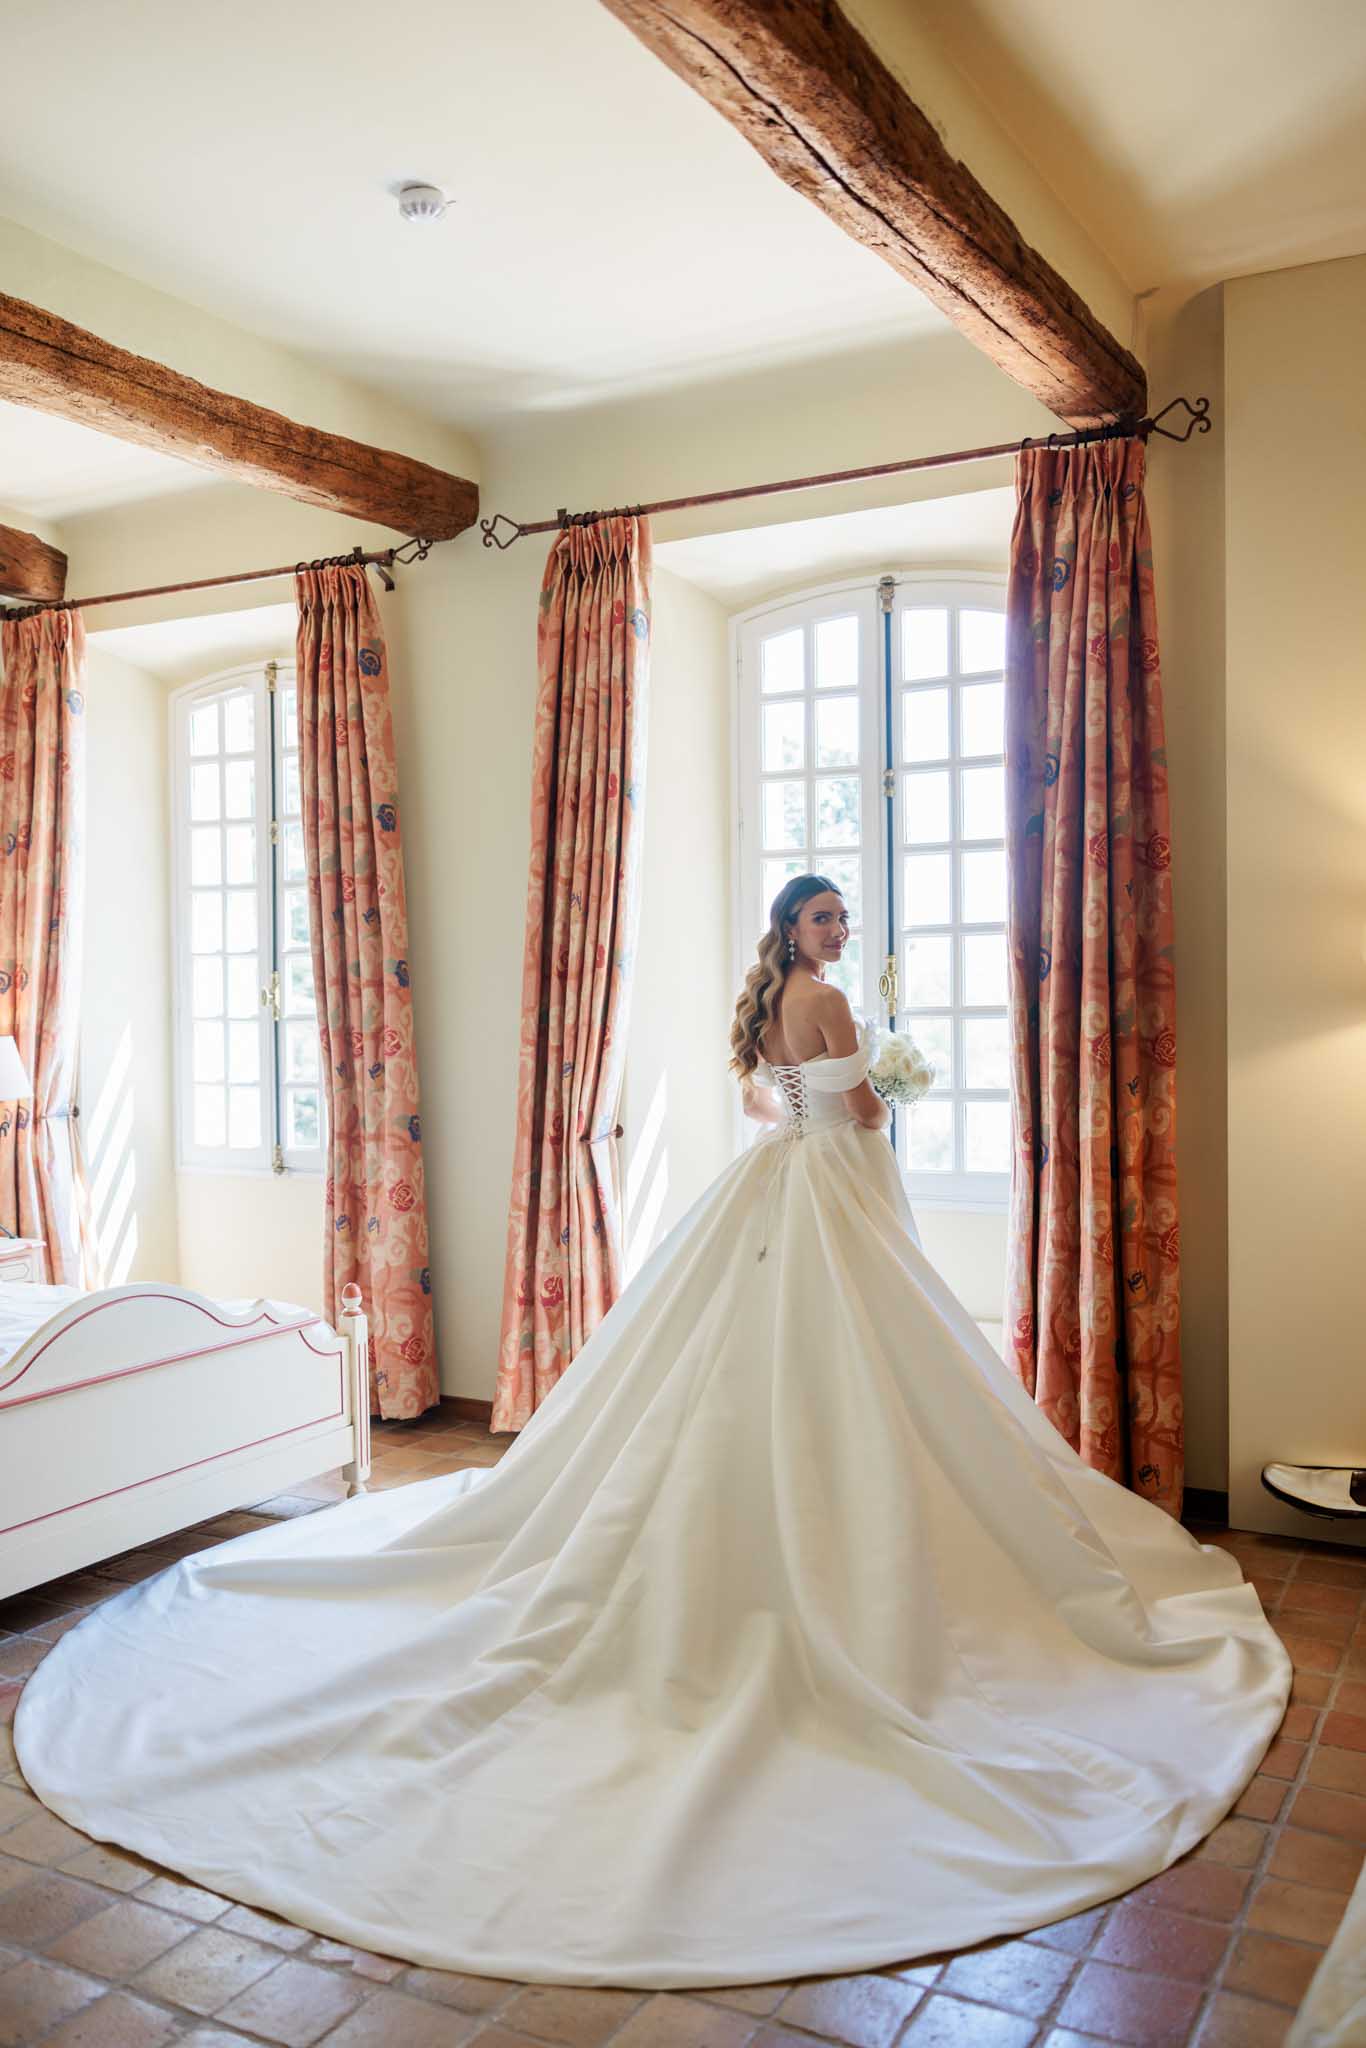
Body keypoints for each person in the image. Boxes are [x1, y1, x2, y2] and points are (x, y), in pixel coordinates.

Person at [14, 872, 1290, 1991]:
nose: (836, 929)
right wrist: (886, 1082)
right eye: (822, 915)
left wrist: (830, 1092)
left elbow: (770, 1106)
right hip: (835, 1190)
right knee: (859, 1355)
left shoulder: (768, 1002)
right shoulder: (829, 1003)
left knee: (763, 1355)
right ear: (792, 928)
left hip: (781, 1183)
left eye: (842, 915)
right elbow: (858, 1114)